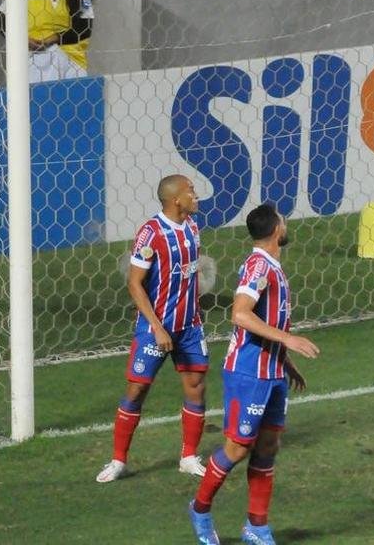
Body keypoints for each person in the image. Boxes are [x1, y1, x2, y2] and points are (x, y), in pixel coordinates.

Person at [188, 204, 320, 545]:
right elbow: (240, 315)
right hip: (248, 374)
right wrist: (289, 339)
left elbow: (268, 320)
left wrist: (285, 360)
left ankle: (256, 527)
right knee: (236, 449)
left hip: (272, 373)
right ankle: (200, 509)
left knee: (269, 447)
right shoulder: (259, 266)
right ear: (277, 229)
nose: (287, 224)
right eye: (284, 219)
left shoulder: (272, 266)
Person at [96, 175, 208, 483]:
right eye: (191, 192)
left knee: (196, 386)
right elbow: (134, 283)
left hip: (190, 327)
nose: (196, 196)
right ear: (175, 200)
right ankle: (118, 460)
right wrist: (158, 328)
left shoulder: (193, 228)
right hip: (155, 328)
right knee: (137, 389)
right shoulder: (151, 234)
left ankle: (188, 456)